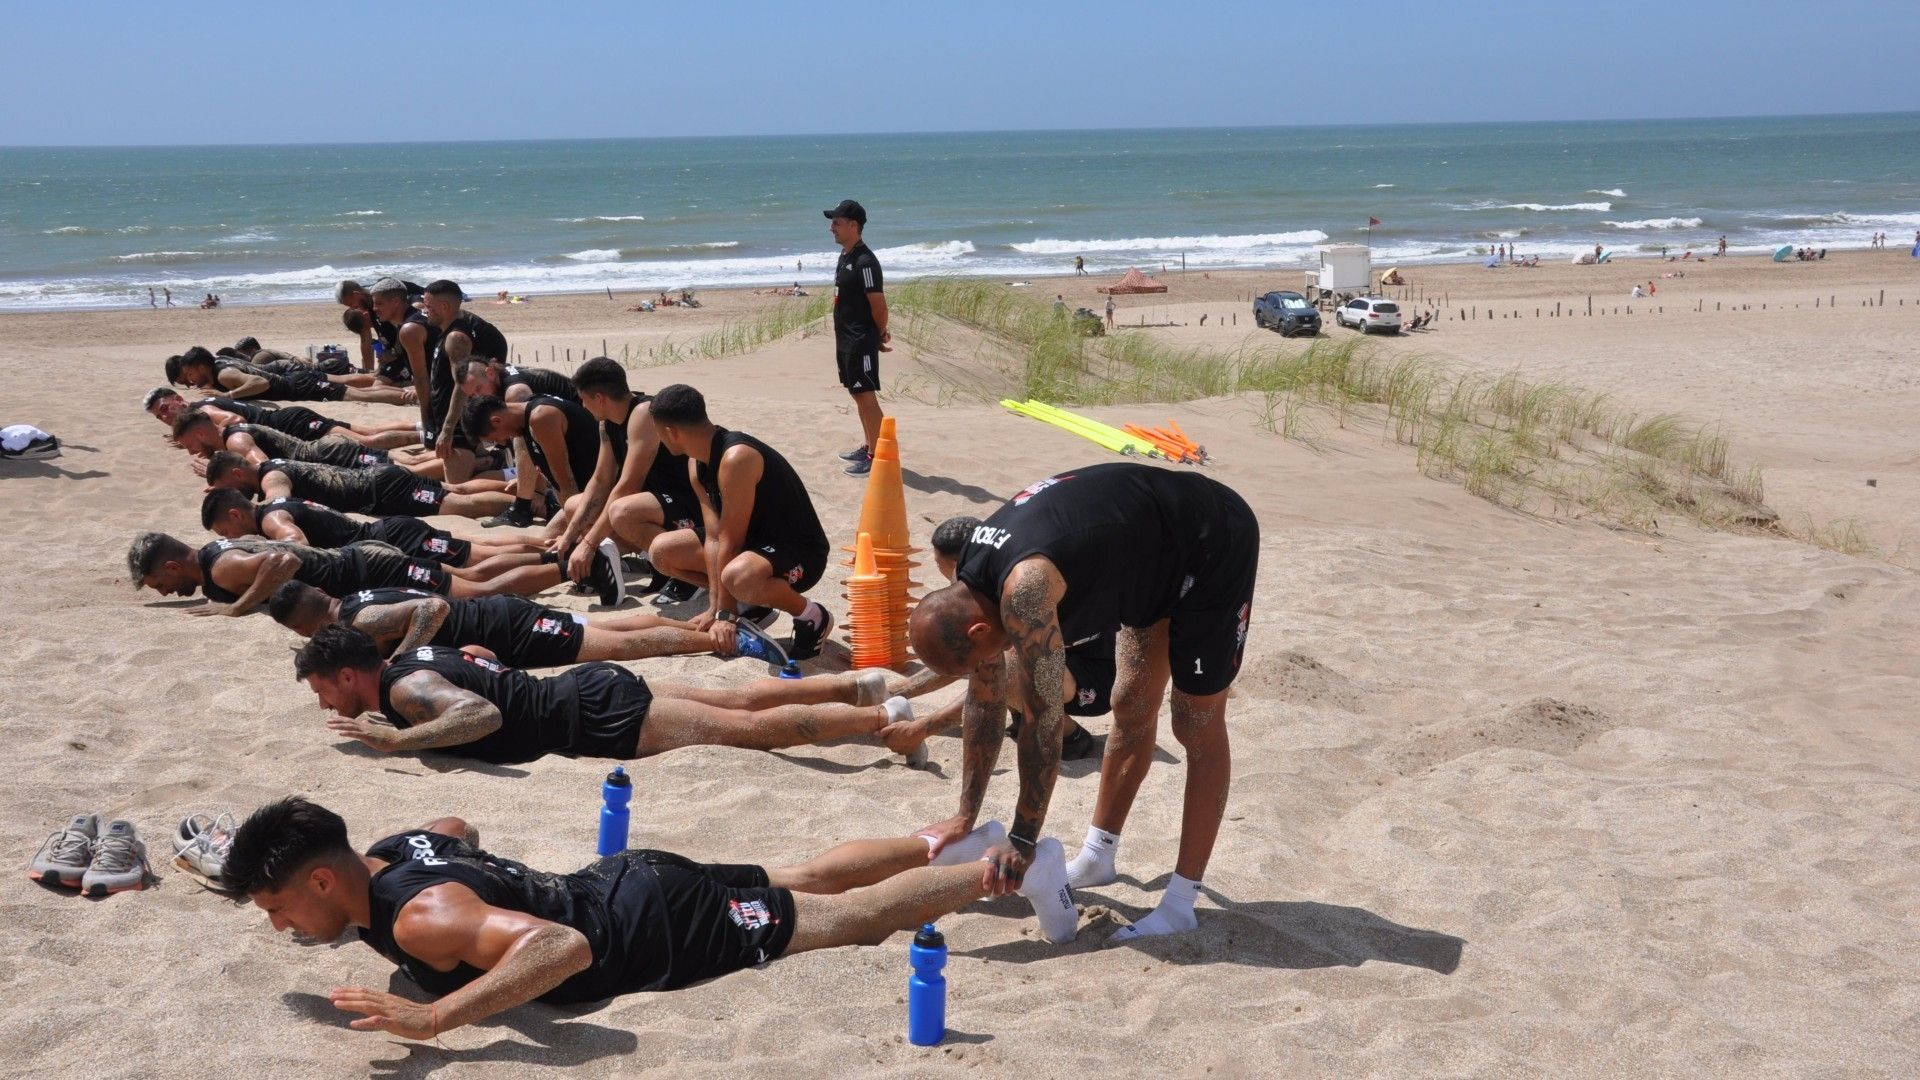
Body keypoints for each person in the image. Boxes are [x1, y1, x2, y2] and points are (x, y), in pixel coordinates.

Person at [219, 795, 1074, 1039]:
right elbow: (454, 826)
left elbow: (563, 948)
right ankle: (958, 835)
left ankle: (1019, 867)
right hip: (627, 875)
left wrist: (438, 1015)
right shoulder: (394, 847)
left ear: (326, 883)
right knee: (806, 872)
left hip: (650, 928)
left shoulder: (418, 920)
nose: (278, 926)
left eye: (277, 905)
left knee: (848, 919)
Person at [908, 462, 1258, 941]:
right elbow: (985, 706)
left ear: (977, 630)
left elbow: (1043, 722)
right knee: (1131, 704)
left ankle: (1180, 903)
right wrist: (964, 815)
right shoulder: (972, 586)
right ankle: (1098, 856)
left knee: (1194, 722)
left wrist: (1024, 839)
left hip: (1209, 540)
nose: (978, 673)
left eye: (970, 663)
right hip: (1147, 553)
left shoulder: (1025, 594)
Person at [287, 624, 933, 767]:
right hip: (584, 689)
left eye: (323, 691)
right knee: (738, 702)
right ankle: (859, 684)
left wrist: (401, 738)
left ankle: (881, 715)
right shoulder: (414, 658)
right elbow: (484, 660)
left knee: (750, 730)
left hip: (594, 717)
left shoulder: (407, 689)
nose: (324, 705)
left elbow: (478, 712)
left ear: (350, 675)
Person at [874, 516, 1102, 761]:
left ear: (958, 564)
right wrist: (892, 693)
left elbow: (991, 677)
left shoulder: (1013, 591)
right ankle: (1024, 712)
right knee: (985, 653)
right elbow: (954, 658)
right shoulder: (992, 577)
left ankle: (1070, 736)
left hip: (1091, 679)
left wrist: (921, 729)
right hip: (1058, 663)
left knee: (1003, 661)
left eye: (944, 568)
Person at [645, 384, 834, 660]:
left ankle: (812, 616)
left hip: (799, 551)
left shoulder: (736, 457)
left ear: (671, 432)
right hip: (751, 551)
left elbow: (730, 541)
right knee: (661, 552)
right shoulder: (695, 463)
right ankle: (751, 604)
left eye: (658, 433)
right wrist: (715, 608)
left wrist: (726, 614)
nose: (659, 440)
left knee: (737, 576)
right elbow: (713, 536)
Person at [266, 582, 734, 668]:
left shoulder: (360, 618)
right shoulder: (355, 598)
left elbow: (433, 610)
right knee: (617, 627)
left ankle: (707, 638)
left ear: (302, 626)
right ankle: (700, 626)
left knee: (620, 646)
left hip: (504, 629)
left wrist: (400, 656)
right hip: (500, 612)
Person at [559, 358, 702, 597]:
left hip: (687, 499)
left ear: (599, 398)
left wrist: (589, 543)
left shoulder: (644, 413)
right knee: (575, 506)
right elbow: (601, 480)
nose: (583, 407)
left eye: (583, 400)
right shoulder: (607, 424)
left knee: (623, 511)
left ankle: (686, 571)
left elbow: (628, 486)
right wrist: (568, 537)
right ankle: (651, 561)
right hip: (657, 503)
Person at [200, 488, 542, 573]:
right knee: (478, 546)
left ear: (234, 513)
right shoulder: (277, 505)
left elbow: (295, 545)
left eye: (224, 529)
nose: (230, 536)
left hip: (390, 538)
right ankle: (545, 546)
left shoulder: (272, 521)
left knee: (479, 557)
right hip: (387, 531)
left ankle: (549, 556)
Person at [203, 452, 523, 528]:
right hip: (380, 479)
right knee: (457, 489)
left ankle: (534, 504)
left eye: (229, 488)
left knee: (459, 505)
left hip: (381, 490)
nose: (234, 495)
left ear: (237, 472)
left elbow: (278, 502)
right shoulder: (272, 462)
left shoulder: (271, 477)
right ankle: (528, 491)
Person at [419, 279, 510, 484]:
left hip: (458, 427)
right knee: (437, 477)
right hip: (449, 421)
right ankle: (488, 459)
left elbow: (462, 387)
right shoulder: (447, 330)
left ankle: (507, 471)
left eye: (429, 306)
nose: (425, 311)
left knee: (456, 485)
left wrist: (448, 429)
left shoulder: (456, 337)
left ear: (445, 307)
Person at [824, 200, 889, 477]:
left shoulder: (865, 261)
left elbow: (879, 305)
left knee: (866, 397)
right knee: (857, 395)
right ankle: (868, 445)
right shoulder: (846, 256)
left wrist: (878, 333)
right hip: (847, 340)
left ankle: (878, 456)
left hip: (860, 340)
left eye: (837, 223)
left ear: (854, 226)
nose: (831, 228)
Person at [462, 392, 600, 523]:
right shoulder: (526, 417)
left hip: (596, 498)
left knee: (560, 543)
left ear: (496, 421)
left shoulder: (541, 417)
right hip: (581, 497)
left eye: (496, 439)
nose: (502, 443)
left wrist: (575, 533)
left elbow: (566, 484)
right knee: (550, 537)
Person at [142, 387, 417, 451]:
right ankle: (422, 429)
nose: (164, 416)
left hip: (288, 425)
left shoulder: (201, 410)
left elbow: (233, 419)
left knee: (365, 442)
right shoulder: (202, 407)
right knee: (365, 430)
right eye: (159, 416)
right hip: (289, 417)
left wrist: (213, 445)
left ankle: (424, 436)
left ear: (178, 399)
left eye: (165, 408)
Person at [171, 404, 389, 473]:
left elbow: (263, 467)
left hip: (329, 454)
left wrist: (220, 475)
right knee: (394, 460)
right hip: (325, 452)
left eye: (190, 445)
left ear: (201, 433)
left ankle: (422, 436)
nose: (191, 452)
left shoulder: (234, 440)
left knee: (401, 464)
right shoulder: (228, 439)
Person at [165, 346, 409, 406]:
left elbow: (259, 382)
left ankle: (409, 396)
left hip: (297, 385)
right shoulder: (218, 365)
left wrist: (227, 395)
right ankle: (408, 393)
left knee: (360, 395)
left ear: (200, 366)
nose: (190, 379)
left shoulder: (226, 375)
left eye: (189, 374)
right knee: (355, 389)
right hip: (294, 382)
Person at [454, 357, 577, 405]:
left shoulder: (514, 392)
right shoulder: (502, 372)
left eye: (478, 389)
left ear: (490, 373)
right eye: (472, 396)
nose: (478, 397)